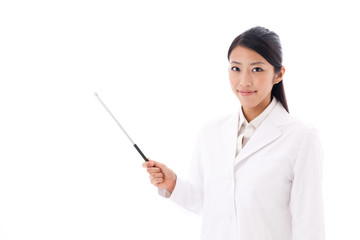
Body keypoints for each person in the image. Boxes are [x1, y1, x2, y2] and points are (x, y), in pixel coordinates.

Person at [143, 26, 325, 240]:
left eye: (257, 69)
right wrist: (173, 183)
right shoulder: (210, 132)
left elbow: (309, 225)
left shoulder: (302, 137)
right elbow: (204, 203)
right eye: (236, 68)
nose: (244, 81)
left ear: (278, 74)